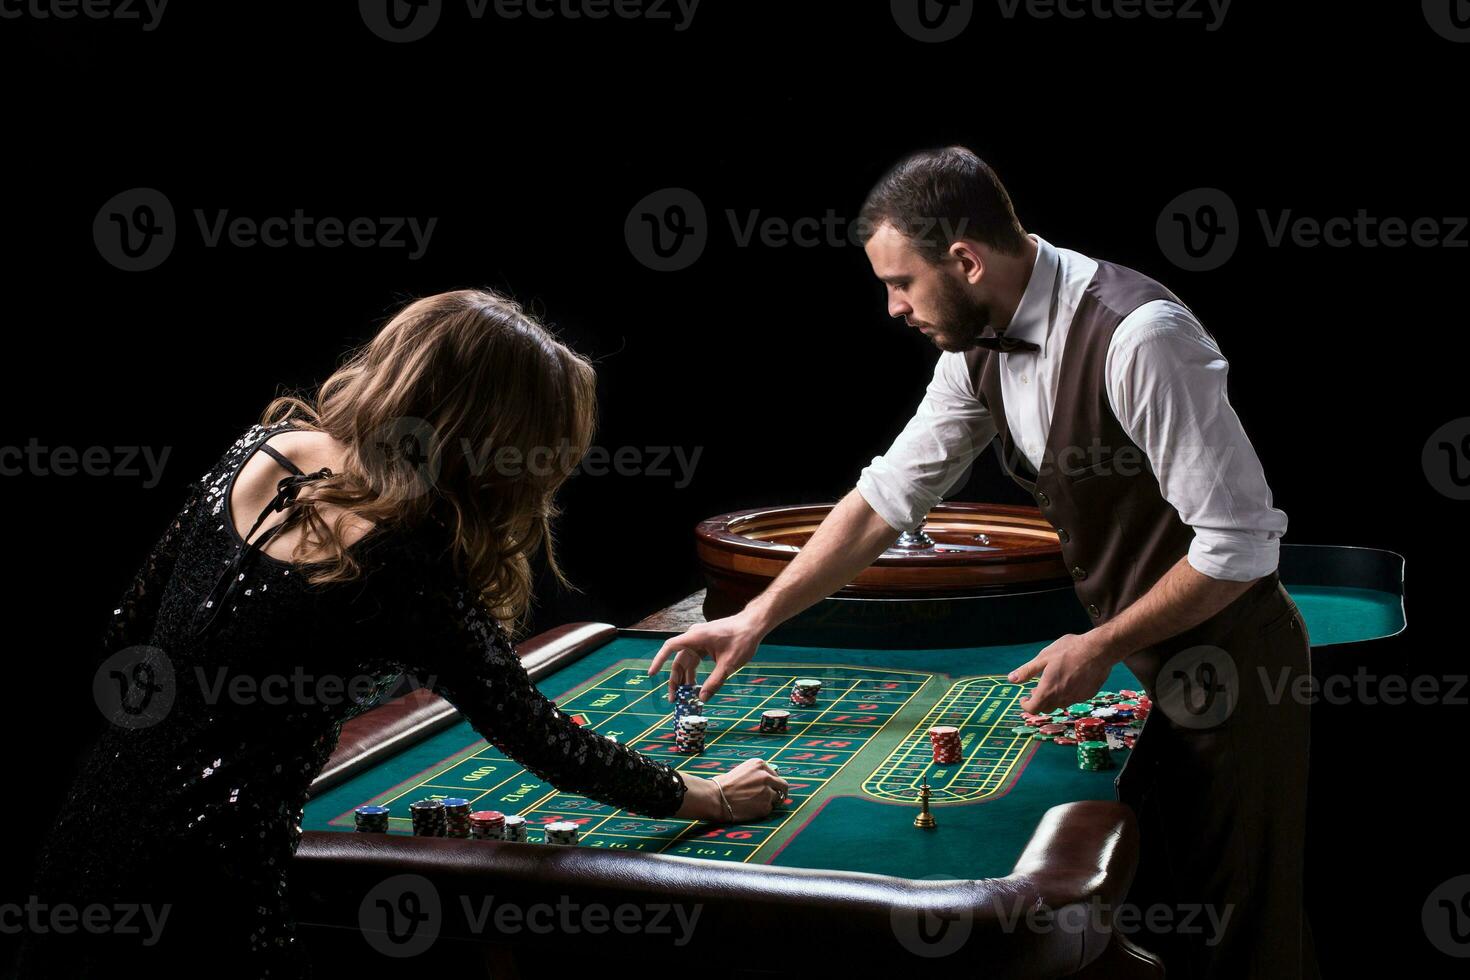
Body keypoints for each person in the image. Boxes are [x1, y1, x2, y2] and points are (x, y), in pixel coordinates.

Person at [648, 147, 1316, 979]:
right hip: (1150, 668)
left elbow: (1240, 548)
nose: (891, 307)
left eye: (902, 283)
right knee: (1143, 922)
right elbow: (886, 500)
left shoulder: (1140, 337)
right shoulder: (974, 346)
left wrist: (1100, 645)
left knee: (1236, 938)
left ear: (964, 260)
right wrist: (756, 615)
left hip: (1233, 668)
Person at [18, 289, 785, 978]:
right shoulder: (406, 560)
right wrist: (707, 795)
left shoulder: (260, 451)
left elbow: (125, 634)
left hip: (84, 840)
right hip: (210, 883)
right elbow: (542, 737)